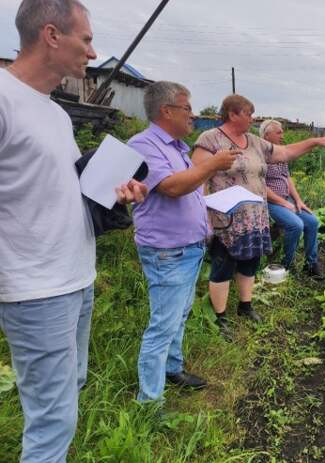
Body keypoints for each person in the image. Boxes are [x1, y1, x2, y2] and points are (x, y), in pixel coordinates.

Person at [0, 1, 147, 462]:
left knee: (70, 391)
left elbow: (58, 190)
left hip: (75, 277)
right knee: (51, 421)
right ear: (51, 35)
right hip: (34, 287)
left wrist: (115, 191)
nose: (92, 50)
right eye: (85, 39)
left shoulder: (55, 113)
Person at [192, 95, 325, 337]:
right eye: (248, 114)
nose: (252, 118)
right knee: (223, 266)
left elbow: (286, 152)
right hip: (226, 218)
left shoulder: (254, 142)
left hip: (254, 216)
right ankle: (219, 317)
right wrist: (202, 215)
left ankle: (245, 306)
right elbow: (198, 177)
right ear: (232, 114)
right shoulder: (210, 139)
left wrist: (313, 141)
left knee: (250, 262)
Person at [128, 81, 239, 402]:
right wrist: (212, 165)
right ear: (166, 110)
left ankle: (172, 369)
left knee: (179, 314)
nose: (193, 116)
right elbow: (172, 187)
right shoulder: (143, 144)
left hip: (188, 247)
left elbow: (191, 190)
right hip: (168, 252)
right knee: (163, 324)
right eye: (187, 108)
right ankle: (149, 400)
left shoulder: (177, 147)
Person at [260, 119, 323, 278]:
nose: (283, 135)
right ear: (267, 135)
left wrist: (298, 201)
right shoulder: (260, 154)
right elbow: (260, 187)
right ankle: (285, 265)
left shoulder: (280, 153)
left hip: (286, 199)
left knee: (313, 222)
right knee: (296, 225)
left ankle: (310, 265)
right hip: (270, 202)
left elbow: (287, 178)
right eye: (279, 132)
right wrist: (284, 203)